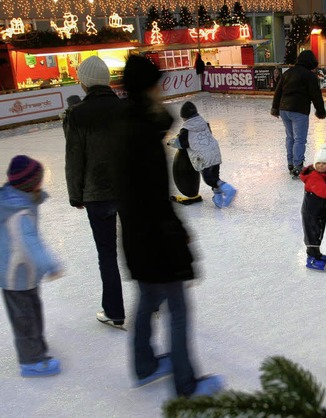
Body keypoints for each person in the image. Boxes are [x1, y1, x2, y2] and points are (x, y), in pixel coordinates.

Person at [120, 54, 223, 397]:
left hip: (136, 236)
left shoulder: (127, 126)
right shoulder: (143, 133)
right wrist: (178, 244)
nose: (163, 89)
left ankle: (145, 365)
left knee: (148, 300)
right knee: (177, 309)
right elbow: (152, 200)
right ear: (149, 88)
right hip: (155, 239)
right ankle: (186, 384)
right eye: (158, 83)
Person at [63, 55, 128, 328]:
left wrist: (76, 195)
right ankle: (154, 300)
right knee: (140, 246)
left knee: (107, 254)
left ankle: (114, 311)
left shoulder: (77, 114)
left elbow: (74, 158)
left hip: (97, 194)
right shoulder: (125, 109)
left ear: (84, 82)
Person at [0, 155, 63, 377]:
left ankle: (36, 348)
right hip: (15, 275)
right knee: (24, 318)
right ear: (30, 183)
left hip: (24, 272)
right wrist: (51, 264)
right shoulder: (18, 212)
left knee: (32, 312)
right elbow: (30, 243)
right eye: (39, 178)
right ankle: (31, 361)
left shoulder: (17, 200)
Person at [168, 101, 237, 208]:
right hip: (215, 152)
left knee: (209, 179)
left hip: (203, 157)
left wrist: (170, 142)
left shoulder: (186, 130)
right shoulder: (205, 124)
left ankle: (228, 189)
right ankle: (218, 200)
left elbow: (180, 143)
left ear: (185, 117)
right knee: (214, 176)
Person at [270, 50, 326, 179]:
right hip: (299, 110)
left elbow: (278, 91)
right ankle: (298, 166)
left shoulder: (288, 73)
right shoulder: (309, 76)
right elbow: (316, 95)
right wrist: (321, 111)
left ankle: (290, 163)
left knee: (290, 137)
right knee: (299, 139)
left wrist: (275, 107)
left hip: (284, 109)